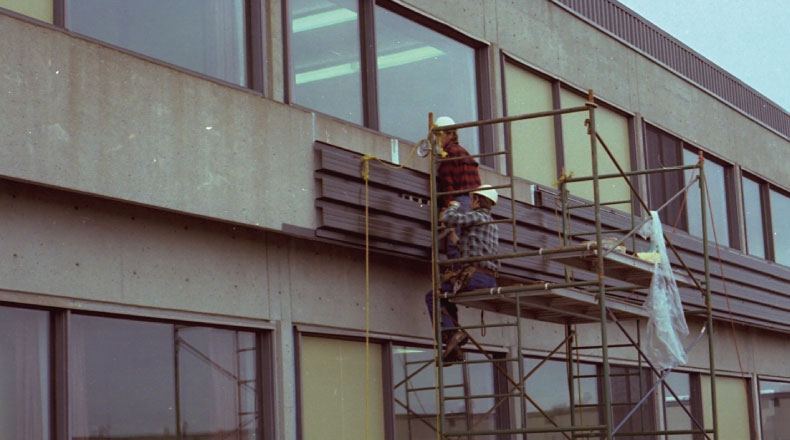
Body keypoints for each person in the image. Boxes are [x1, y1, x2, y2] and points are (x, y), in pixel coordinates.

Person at [425, 184, 500, 362]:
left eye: (472, 200)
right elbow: (471, 249)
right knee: (444, 294)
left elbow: (449, 218)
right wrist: (453, 237)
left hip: (475, 276)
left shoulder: (476, 216)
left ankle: (453, 335)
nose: (470, 203)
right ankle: (453, 341)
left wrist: (454, 206)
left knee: (434, 296)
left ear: (476, 200)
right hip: (488, 278)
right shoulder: (492, 224)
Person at [433, 116, 481, 259]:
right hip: (473, 204)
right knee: (467, 245)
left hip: (459, 203)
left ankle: (456, 273)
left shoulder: (449, 154)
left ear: (450, 134)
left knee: (455, 245)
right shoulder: (463, 152)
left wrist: (447, 210)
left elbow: (449, 186)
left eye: (439, 135)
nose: (437, 140)